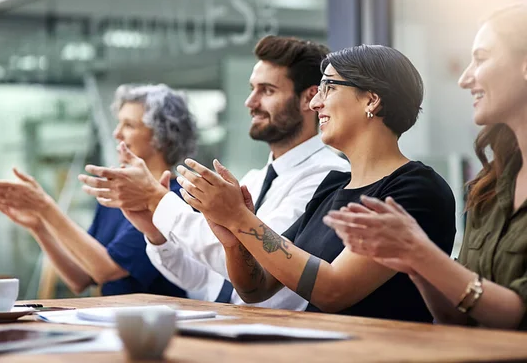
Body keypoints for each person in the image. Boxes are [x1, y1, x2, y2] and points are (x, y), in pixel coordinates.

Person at [174, 45, 457, 323]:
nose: (314, 103)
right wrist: (234, 239)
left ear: (372, 100)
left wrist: (240, 217)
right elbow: (255, 288)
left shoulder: (416, 189)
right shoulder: (331, 188)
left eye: (329, 88)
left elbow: (334, 290)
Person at [78, 35, 349, 309]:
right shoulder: (254, 179)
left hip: (277, 335)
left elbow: (253, 261)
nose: (250, 102)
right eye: (252, 88)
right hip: (228, 325)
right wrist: (155, 232)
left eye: (267, 91)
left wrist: (156, 200)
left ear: (309, 98)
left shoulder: (328, 177)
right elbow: (203, 278)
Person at [324, 5, 527, 330]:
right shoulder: (488, 188)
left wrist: (421, 254)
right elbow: (457, 318)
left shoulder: (417, 185)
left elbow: (518, 317)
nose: (464, 78)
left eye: (482, 57)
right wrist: (414, 263)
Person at [0, 84, 197, 297]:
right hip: (110, 321)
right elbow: (81, 278)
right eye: (119, 123)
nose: (117, 133)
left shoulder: (174, 198)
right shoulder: (116, 196)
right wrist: (39, 226)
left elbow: (108, 271)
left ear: (162, 136)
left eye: (129, 125)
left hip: (155, 325)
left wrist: (45, 208)